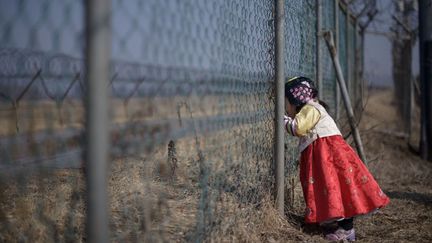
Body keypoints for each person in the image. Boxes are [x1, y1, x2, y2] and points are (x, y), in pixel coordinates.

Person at [284, 76, 390, 241]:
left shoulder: (311, 109)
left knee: (337, 188)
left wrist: (281, 119)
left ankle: (346, 230)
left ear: (296, 99)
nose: (285, 108)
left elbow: (298, 128)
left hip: (326, 154)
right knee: (330, 187)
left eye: (285, 103)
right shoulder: (311, 109)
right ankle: (333, 223)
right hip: (324, 154)